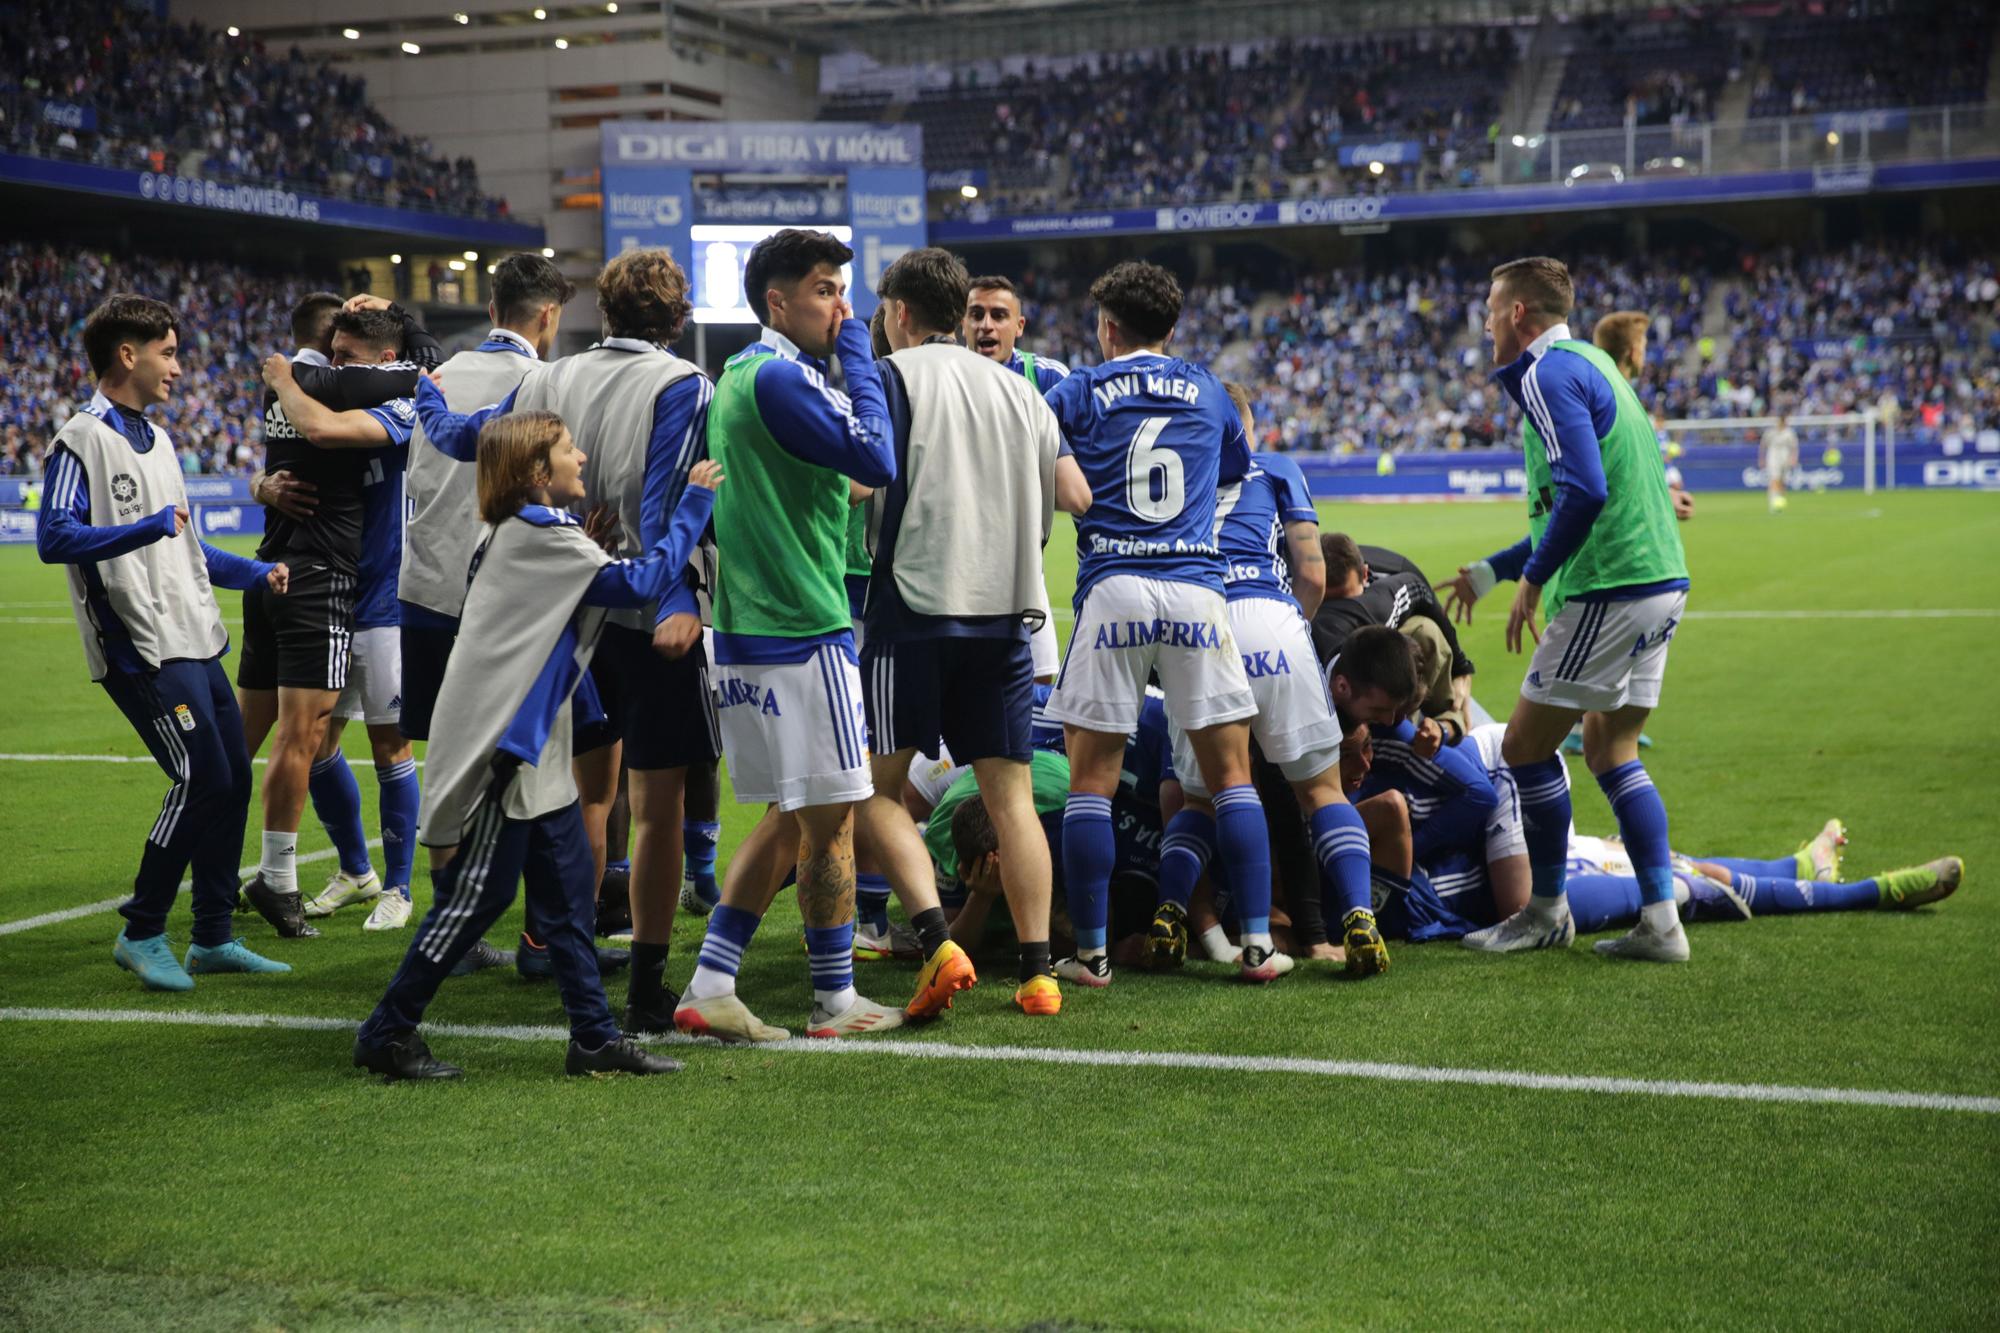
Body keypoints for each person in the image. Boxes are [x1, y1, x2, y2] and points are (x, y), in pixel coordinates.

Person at [351, 412, 718, 1081]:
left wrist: (588, 546)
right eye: (567, 449)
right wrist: (694, 503)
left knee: (569, 897)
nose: (582, 455)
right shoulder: (541, 537)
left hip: (534, 747)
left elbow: (580, 585)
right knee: (477, 901)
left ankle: (594, 1036)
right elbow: (637, 584)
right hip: (506, 754)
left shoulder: (523, 531)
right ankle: (387, 1028)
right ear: (536, 474)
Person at [415, 248, 715, 1034]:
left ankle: (552, 944)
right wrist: (679, 589)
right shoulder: (684, 384)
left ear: (600, 313)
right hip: (647, 615)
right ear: (677, 320)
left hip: (567, 615)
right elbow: (662, 509)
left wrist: (420, 392)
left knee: (580, 794)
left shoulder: (548, 378)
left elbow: (467, 441)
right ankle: (646, 983)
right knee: (654, 809)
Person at [671, 229, 918, 1041]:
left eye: (841, 291)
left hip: (750, 633)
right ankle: (834, 999)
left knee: (793, 817)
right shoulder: (781, 376)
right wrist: (866, 358)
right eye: (823, 290)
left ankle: (712, 979)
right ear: (777, 301)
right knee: (834, 816)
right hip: (803, 631)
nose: (841, 306)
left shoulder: (742, 375)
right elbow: (877, 460)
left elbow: (828, 485)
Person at [856, 247, 1091, 1015]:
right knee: (1012, 798)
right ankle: (1037, 971)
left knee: (875, 791)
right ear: (959, 315)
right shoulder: (1023, 391)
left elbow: (861, 480)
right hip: (1008, 616)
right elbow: (1068, 494)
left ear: (896, 314)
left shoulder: (891, 378)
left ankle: (935, 937)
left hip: (914, 609)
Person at [37, 294, 292, 991]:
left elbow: (188, 547)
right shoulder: (80, 438)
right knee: (199, 775)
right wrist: (144, 527)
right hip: (138, 645)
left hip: (195, 635)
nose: (179, 368)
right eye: (170, 352)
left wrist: (259, 573)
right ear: (130, 354)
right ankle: (143, 927)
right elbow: (54, 536)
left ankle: (211, 935)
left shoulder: (164, 439)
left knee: (233, 775)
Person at [1442, 256, 1693, 962]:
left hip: (1608, 586)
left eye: (1491, 309)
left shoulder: (1547, 375)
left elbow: (1583, 491)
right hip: (1661, 580)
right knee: (1611, 747)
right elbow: (1574, 496)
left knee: (1524, 745)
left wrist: (1533, 577)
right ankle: (1662, 924)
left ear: (1519, 313)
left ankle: (1547, 910)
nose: (1486, 322)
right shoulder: (1592, 364)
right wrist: (1498, 570)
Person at [1039, 260, 1278, 988]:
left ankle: (1092, 954)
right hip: (1197, 590)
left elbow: (1049, 464)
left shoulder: (1075, 389)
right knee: (1231, 776)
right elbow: (1239, 464)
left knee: (1092, 783)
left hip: (1113, 588)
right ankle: (1260, 947)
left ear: (1107, 328)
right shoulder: (1207, 388)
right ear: (1171, 330)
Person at [1147, 380, 1385, 979]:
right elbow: (1311, 573)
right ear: (1247, 427)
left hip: (1198, 624)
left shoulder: (1174, 474)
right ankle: (1358, 915)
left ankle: (1172, 912)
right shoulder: (1275, 466)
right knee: (1321, 791)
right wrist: (1286, 643)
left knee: (1203, 796)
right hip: (1268, 617)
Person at [240, 296, 435, 939]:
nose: (334, 367)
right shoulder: (336, 396)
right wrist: (260, 486)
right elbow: (290, 452)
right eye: (330, 355)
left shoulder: (403, 405)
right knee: (318, 740)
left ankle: (402, 886)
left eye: (346, 358)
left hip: (385, 596)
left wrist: (280, 376)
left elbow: (321, 428)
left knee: (389, 743)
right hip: (328, 591)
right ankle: (356, 871)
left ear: (385, 359)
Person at [963, 274, 1070, 683]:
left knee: (1040, 685)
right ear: (962, 323)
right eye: (976, 314)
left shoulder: (1048, 380)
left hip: (1024, 569)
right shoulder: (941, 376)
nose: (986, 325)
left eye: (998, 315)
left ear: (1019, 327)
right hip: (956, 570)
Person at [1761, 413, 1798, 513]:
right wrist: (1762, 458)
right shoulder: (1770, 432)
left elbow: (1794, 447)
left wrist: (1794, 458)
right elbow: (1763, 445)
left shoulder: (1789, 432)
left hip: (1785, 457)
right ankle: (1773, 503)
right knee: (1774, 479)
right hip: (1773, 456)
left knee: (1782, 482)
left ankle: (1780, 502)